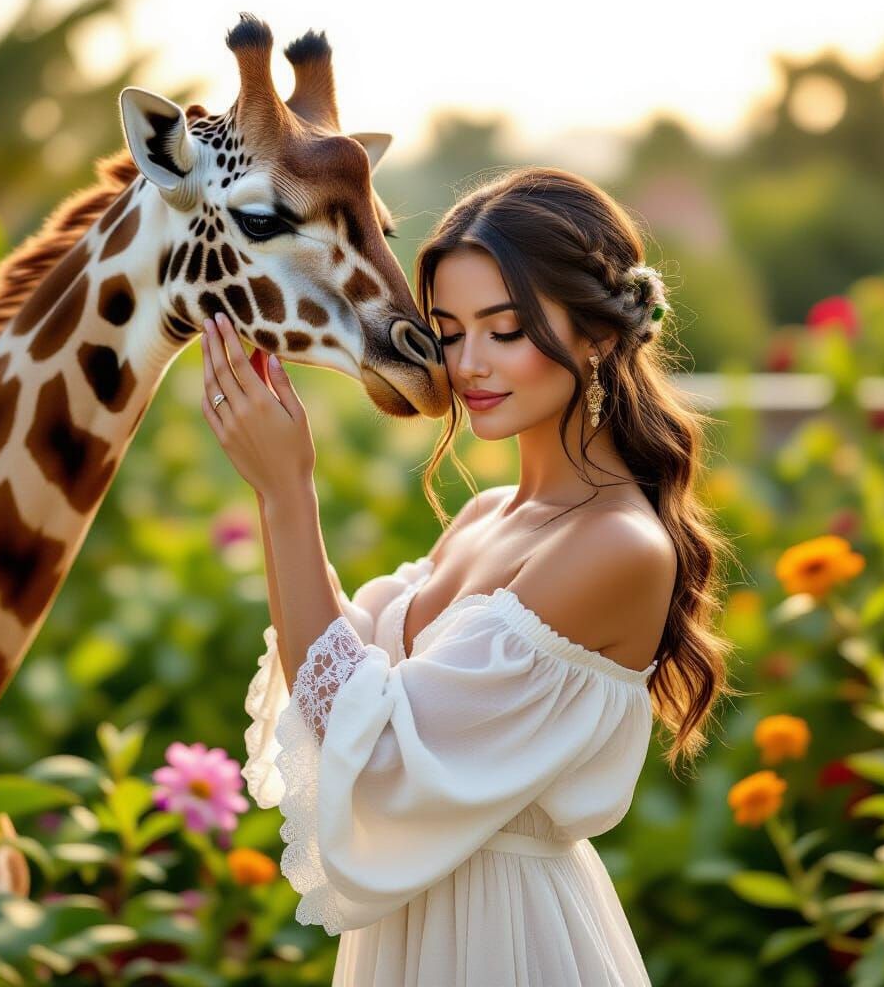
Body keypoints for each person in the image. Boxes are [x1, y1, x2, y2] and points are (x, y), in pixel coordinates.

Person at [200, 166, 738, 986]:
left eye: (506, 329)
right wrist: (276, 473)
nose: (470, 364)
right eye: (448, 332)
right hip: (416, 932)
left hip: (511, 940)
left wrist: (286, 494)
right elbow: (341, 675)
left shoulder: (617, 545)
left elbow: (372, 747)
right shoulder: (486, 516)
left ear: (596, 333)